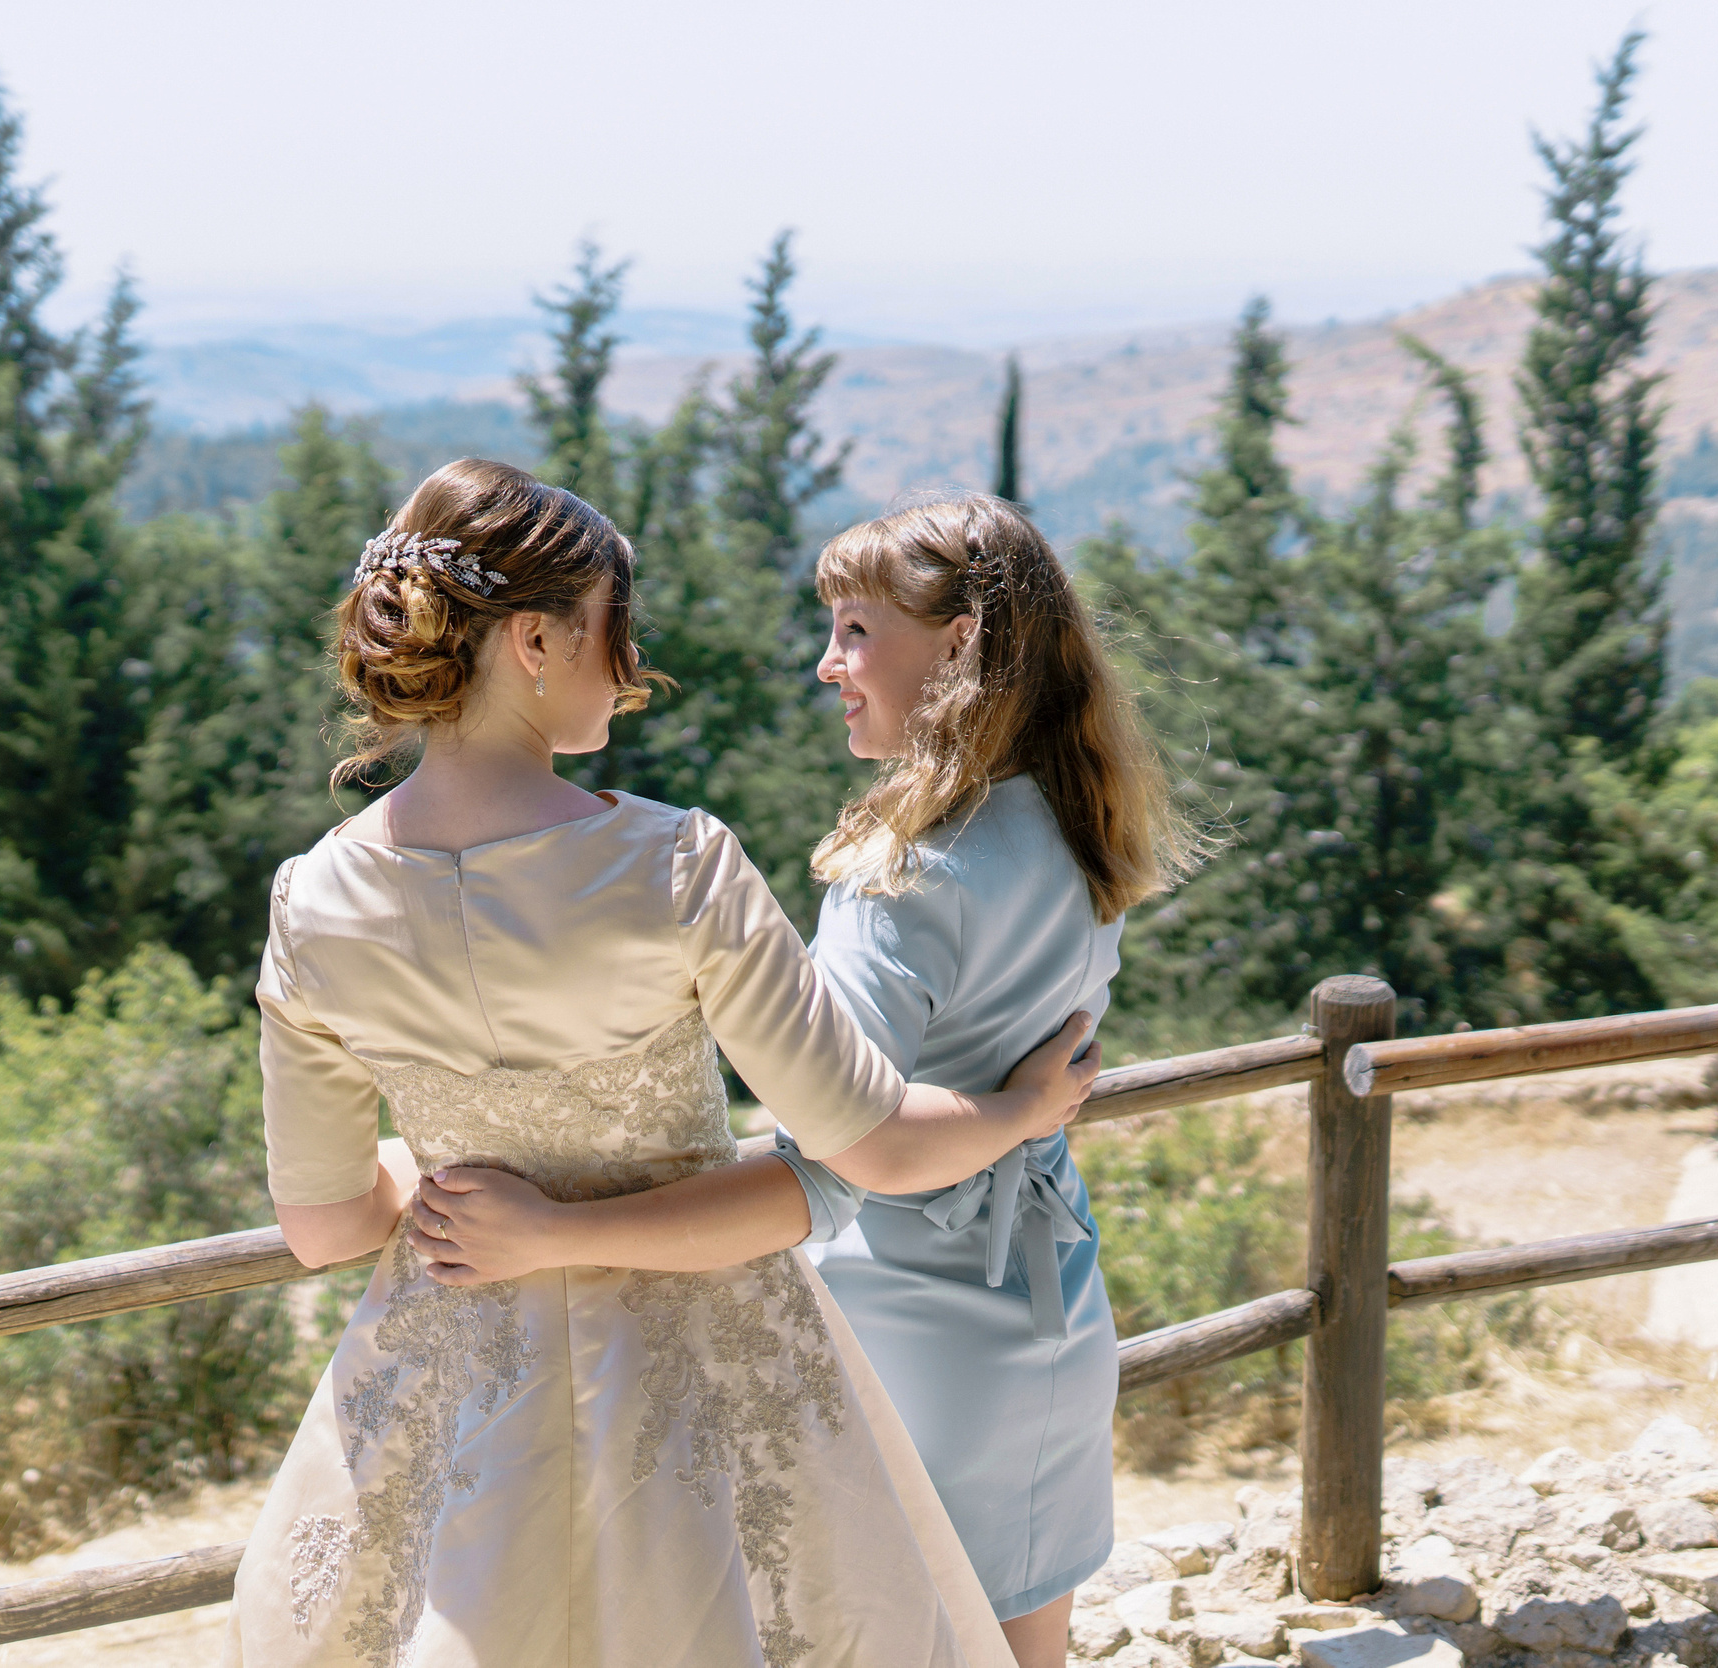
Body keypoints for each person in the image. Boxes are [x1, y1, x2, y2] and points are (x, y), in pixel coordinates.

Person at [226, 461, 1104, 1668]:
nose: (628, 671)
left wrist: (431, 1163)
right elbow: (857, 1158)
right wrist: (1021, 1106)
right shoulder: (675, 866)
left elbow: (322, 1228)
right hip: (704, 1383)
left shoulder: (310, 900)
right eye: (611, 631)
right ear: (536, 639)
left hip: (457, 1381)